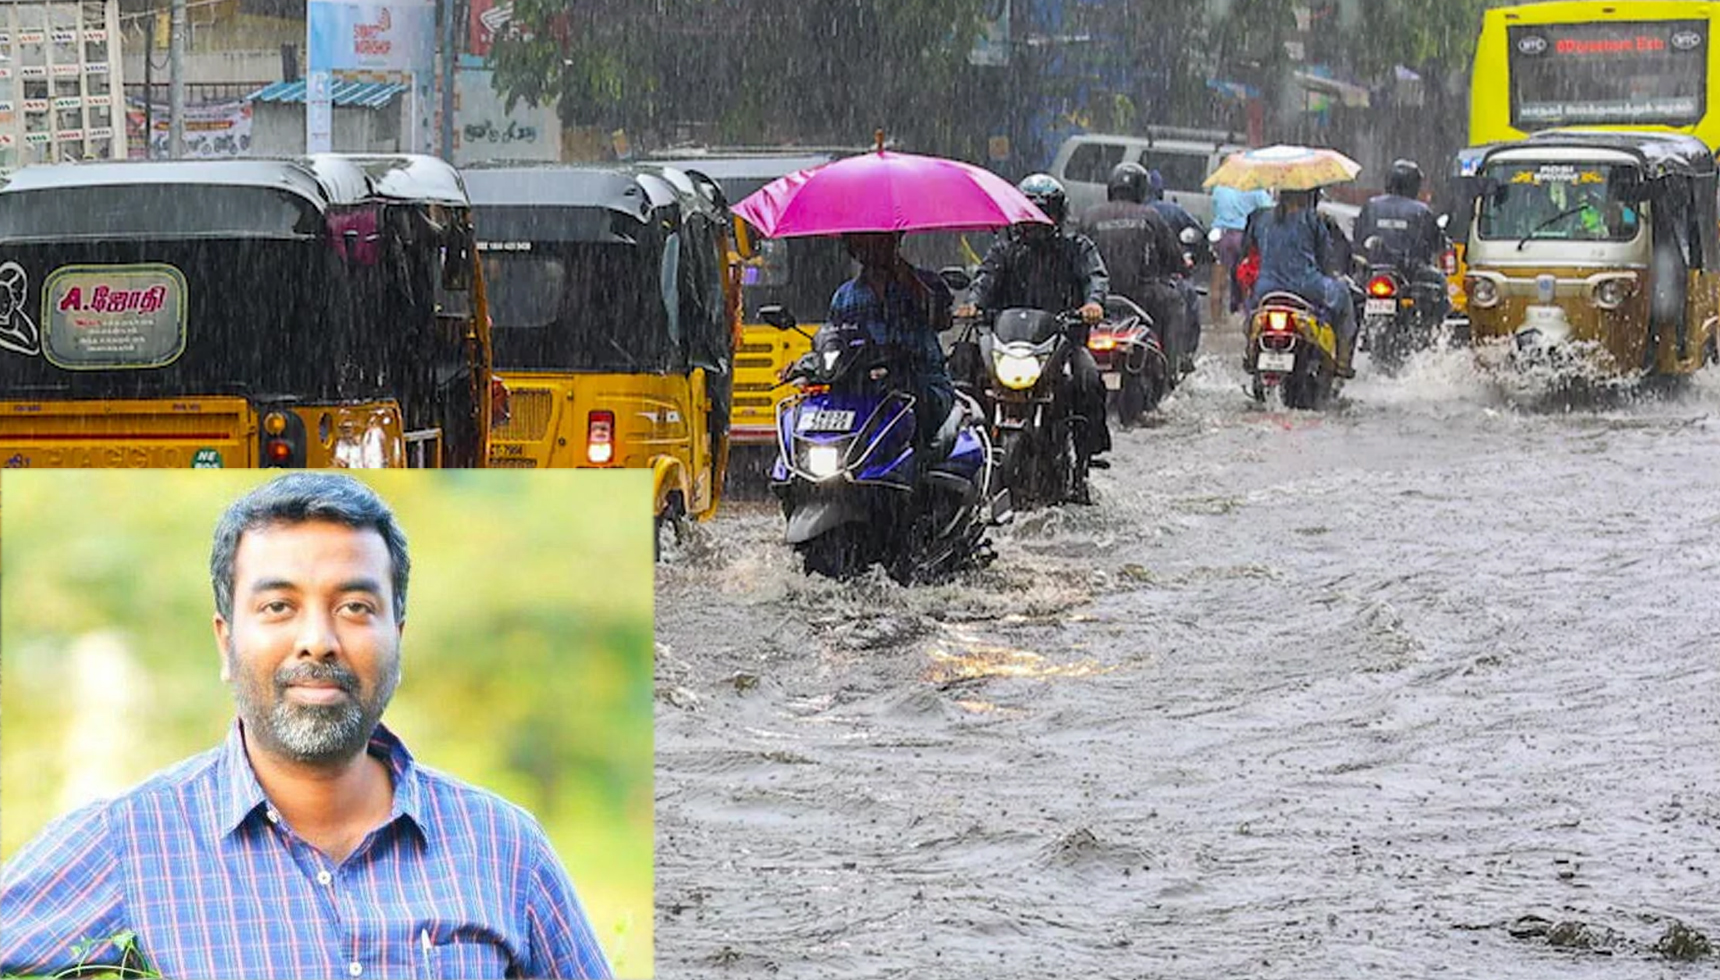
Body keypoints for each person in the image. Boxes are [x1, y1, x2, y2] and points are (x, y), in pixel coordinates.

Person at [0, 474, 614, 980]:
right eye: (278, 607)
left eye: (355, 607)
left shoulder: (504, 847)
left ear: (397, 636)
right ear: (226, 641)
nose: (317, 641)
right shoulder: (128, 843)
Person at [961, 173, 1111, 491]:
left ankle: (1084, 457)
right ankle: (963, 451)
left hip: (1061, 343)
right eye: (1029, 213)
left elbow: (1095, 277)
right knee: (963, 370)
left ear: (1058, 216)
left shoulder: (1077, 247)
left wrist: (1093, 304)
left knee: (1089, 379)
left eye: (1045, 213)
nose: (1036, 221)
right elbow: (985, 279)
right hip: (1008, 343)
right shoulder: (1005, 250)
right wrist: (973, 304)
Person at [825, 230, 955, 453]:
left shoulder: (926, 282)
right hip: (866, 393)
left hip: (921, 385)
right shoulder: (844, 296)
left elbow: (942, 320)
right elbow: (832, 339)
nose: (869, 247)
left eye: (877, 239)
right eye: (859, 240)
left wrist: (908, 279)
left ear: (895, 240)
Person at [1077, 162, 1187, 381]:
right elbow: (1174, 259)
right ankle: (1171, 369)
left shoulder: (1089, 216)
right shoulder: (1150, 216)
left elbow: (1076, 259)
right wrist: (1181, 267)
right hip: (1143, 297)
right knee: (1176, 302)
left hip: (1097, 301)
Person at [1245, 185, 1359, 378]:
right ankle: (1342, 361)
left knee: (1251, 313)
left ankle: (1249, 351)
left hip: (1266, 288)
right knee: (1344, 293)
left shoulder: (1260, 218)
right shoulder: (1313, 219)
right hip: (1307, 286)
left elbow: (1249, 248)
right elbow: (1326, 258)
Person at [1144, 169, 1208, 371]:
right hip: (1160, 281)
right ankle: (1181, 359)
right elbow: (1198, 233)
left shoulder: (1109, 213)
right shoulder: (1167, 212)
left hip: (1125, 284)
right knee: (1187, 300)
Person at [1352, 159, 1446, 288]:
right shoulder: (1421, 211)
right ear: (1414, 185)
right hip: (1412, 275)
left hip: (1371, 272)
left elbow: (1358, 237)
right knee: (1441, 283)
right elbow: (1436, 242)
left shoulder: (1371, 205)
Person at [1211, 181, 1275, 320]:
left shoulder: (1219, 187)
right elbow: (1270, 211)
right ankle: (1247, 317)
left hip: (1219, 235)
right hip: (1242, 237)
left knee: (1218, 280)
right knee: (1245, 277)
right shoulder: (1254, 188)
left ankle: (1216, 322)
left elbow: (1215, 208)